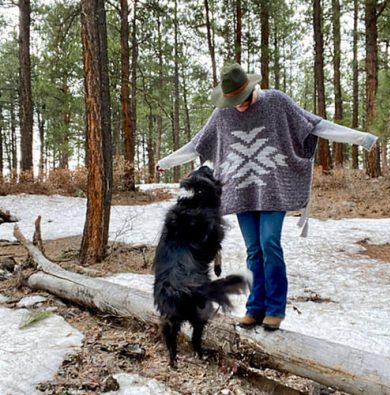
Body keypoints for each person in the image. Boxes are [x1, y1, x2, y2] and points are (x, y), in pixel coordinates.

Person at [156, 63, 377, 330]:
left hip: (273, 190)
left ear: (250, 89)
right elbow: (197, 144)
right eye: (232, 101)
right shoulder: (222, 113)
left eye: (240, 100)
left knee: (269, 244)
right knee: (253, 251)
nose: (237, 106)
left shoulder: (276, 102)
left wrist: (360, 138)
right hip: (242, 193)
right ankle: (255, 307)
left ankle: (275, 308)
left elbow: (314, 124)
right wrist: (167, 162)